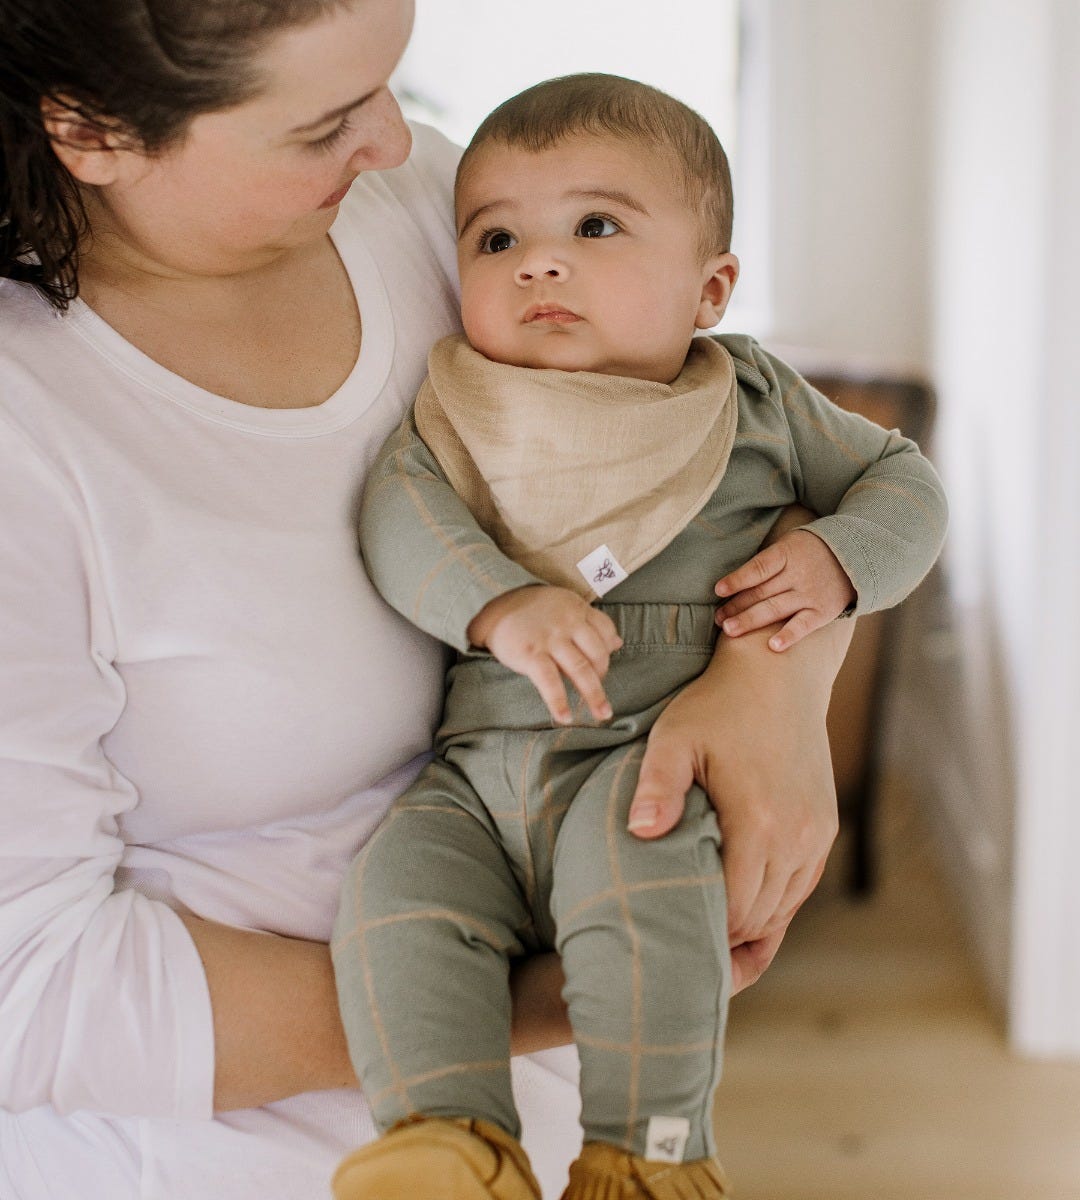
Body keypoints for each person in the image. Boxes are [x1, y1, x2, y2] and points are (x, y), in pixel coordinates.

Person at [0, 4, 852, 1198]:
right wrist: (567, 991)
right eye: (326, 123)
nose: (398, 142)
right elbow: (28, 995)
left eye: (391, 84)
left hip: (580, 1120)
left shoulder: (439, 219)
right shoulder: (27, 431)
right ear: (88, 130)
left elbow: (733, 443)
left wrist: (774, 683)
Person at [330, 74, 948, 1200]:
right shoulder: (462, 403)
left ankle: (650, 1154)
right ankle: (446, 1139)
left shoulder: (753, 395)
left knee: (646, 910)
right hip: (476, 773)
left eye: (596, 226)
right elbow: (399, 518)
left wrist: (836, 560)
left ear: (709, 288)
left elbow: (902, 484)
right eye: (497, 236)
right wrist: (499, 601)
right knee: (397, 903)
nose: (540, 262)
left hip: (646, 765)